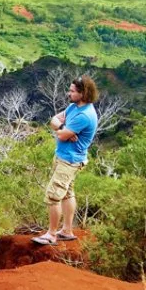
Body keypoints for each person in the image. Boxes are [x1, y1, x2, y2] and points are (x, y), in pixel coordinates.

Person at [33, 75, 98, 246]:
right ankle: (67, 231)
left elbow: (60, 134)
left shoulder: (84, 115)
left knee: (53, 196)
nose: (68, 93)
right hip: (64, 157)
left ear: (82, 93)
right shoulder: (73, 107)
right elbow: (53, 120)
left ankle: (51, 234)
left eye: (72, 91)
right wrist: (63, 129)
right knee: (67, 193)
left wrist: (62, 131)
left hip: (70, 161)